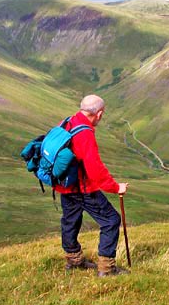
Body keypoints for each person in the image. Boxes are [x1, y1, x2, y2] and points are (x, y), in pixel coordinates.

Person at [54, 94, 129, 277]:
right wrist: (115, 187)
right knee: (111, 220)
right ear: (99, 113)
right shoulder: (85, 133)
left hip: (65, 185)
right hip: (82, 187)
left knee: (70, 220)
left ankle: (74, 261)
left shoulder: (68, 121)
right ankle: (106, 269)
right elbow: (94, 169)